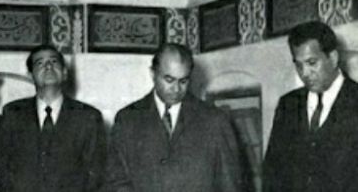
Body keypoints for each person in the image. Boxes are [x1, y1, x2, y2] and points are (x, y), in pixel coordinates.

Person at [104, 43, 242, 192]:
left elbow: (230, 185)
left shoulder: (215, 121)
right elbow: (116, 181)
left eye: (183, 81)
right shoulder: (128, 120)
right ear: (153, 74)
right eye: (169, 80)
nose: (176, 89)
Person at [0, 44, 106, 192]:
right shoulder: (13, 113)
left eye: (54, 62)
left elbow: (96, 174)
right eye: (40, 63)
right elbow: (2, 168)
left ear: (65, 73)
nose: (48, 66)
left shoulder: (88, 116)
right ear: (30, 76)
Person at [263, 20, 358, 191]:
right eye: (298, 65)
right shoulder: (288, 105)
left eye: (312, 63)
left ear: (333, 58)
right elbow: (271, 174)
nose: (304, 74)